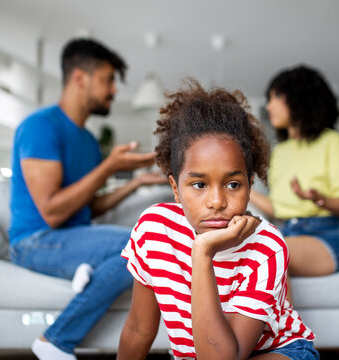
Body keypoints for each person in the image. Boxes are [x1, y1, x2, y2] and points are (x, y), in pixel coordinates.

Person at [117, 79, 319, 360]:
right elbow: (139, 329)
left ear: (250, 185)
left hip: (278, 352)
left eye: (233, 185)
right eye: (199, 185)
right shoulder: (155, 230)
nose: (217, 202)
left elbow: (224, 359)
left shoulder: (267, 246)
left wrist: (202, 252)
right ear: (176, 189)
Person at [9, 38, 166, 360]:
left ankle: (87, 267)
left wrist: (133, 184)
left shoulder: (88, 141)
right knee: (141, 245)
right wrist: (110, 166)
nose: (114, 90)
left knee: (142, 245)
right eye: (108, 79)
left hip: (71, 236)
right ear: (80, 77)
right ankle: (55, 340)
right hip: (35, 241)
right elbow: (52, 212)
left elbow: (86, 207)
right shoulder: (40, 127)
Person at [250, 65, 339, 277]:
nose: (269, 106)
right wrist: (241, 188)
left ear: (300, 98)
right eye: (268, 98)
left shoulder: (331, 142)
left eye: (276, 97)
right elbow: (277, 208)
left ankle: (284, 313)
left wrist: (320, 200)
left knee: (269, 251)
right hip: (287, 232)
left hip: (328, 234)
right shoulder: (280, 151)